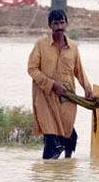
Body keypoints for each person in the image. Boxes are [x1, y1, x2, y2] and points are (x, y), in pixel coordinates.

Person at [28, 9, 95, 159]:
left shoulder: (73, 47)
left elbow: (79, 71)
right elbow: (32, 69)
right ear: (49, 25)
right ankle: (46, 175)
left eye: (61, 23)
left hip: (67, 98)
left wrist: (88, 91)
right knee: (51, 139)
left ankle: (66, 167)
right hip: (45, 97)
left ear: (67, 24)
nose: (59, 27)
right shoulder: (41, 45)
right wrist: (51, 84)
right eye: (55, 23)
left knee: (67, 135)